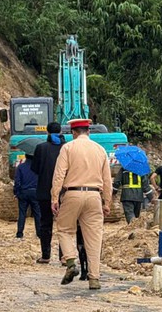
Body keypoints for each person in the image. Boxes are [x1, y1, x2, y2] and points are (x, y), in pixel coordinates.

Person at [51, 118, 113, 291]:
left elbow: (59, 175)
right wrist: (107, 202)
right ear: (89, 131)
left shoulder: (68, 148)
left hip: (72, 193)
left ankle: (71, 262)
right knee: (94, 238)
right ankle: (94, 279)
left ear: (73, 133)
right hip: (94, 195)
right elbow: (107, 179)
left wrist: (54, 198)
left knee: (65, 229)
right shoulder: (100, 150)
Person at [32, 122, 65, 262]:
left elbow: (34, 168)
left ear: (47, 132)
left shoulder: (41, 148)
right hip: (64, 192)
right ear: (61, 131)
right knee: (64, 225)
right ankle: (64, 256)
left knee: (45, 223)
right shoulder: (67, 147)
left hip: (45, 191)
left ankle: (46, 255)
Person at [13, 154, 41, 239]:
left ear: (25, 156)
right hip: (35, 192)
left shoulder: (21, 167)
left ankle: (19, 233)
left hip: (23, 192)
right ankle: (39, 233)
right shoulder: (39, 167)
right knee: (37, 213)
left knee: (22, 213)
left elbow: (17, 181)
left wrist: (16, 192)